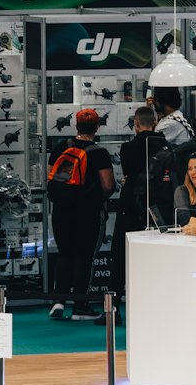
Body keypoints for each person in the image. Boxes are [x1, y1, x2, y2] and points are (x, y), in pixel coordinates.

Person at [47, 108, 115, 321]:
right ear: (97, 127)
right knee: (84, 257)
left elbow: (50, 178)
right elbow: (108, 185)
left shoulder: (61, 147)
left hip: (60, 211)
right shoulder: (99, 153)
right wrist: (96, 198)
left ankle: (59, 301)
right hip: (87, 212)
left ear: (75, 126)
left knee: (65, 254)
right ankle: (80, 306)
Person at [101, 105, 156, 324]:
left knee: (120, 255)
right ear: (155, 121)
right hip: (156, 211)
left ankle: (113, 308)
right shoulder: (165, 146)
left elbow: (128, 174)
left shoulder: (128, 148)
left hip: (131, 207)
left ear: (136, 123)